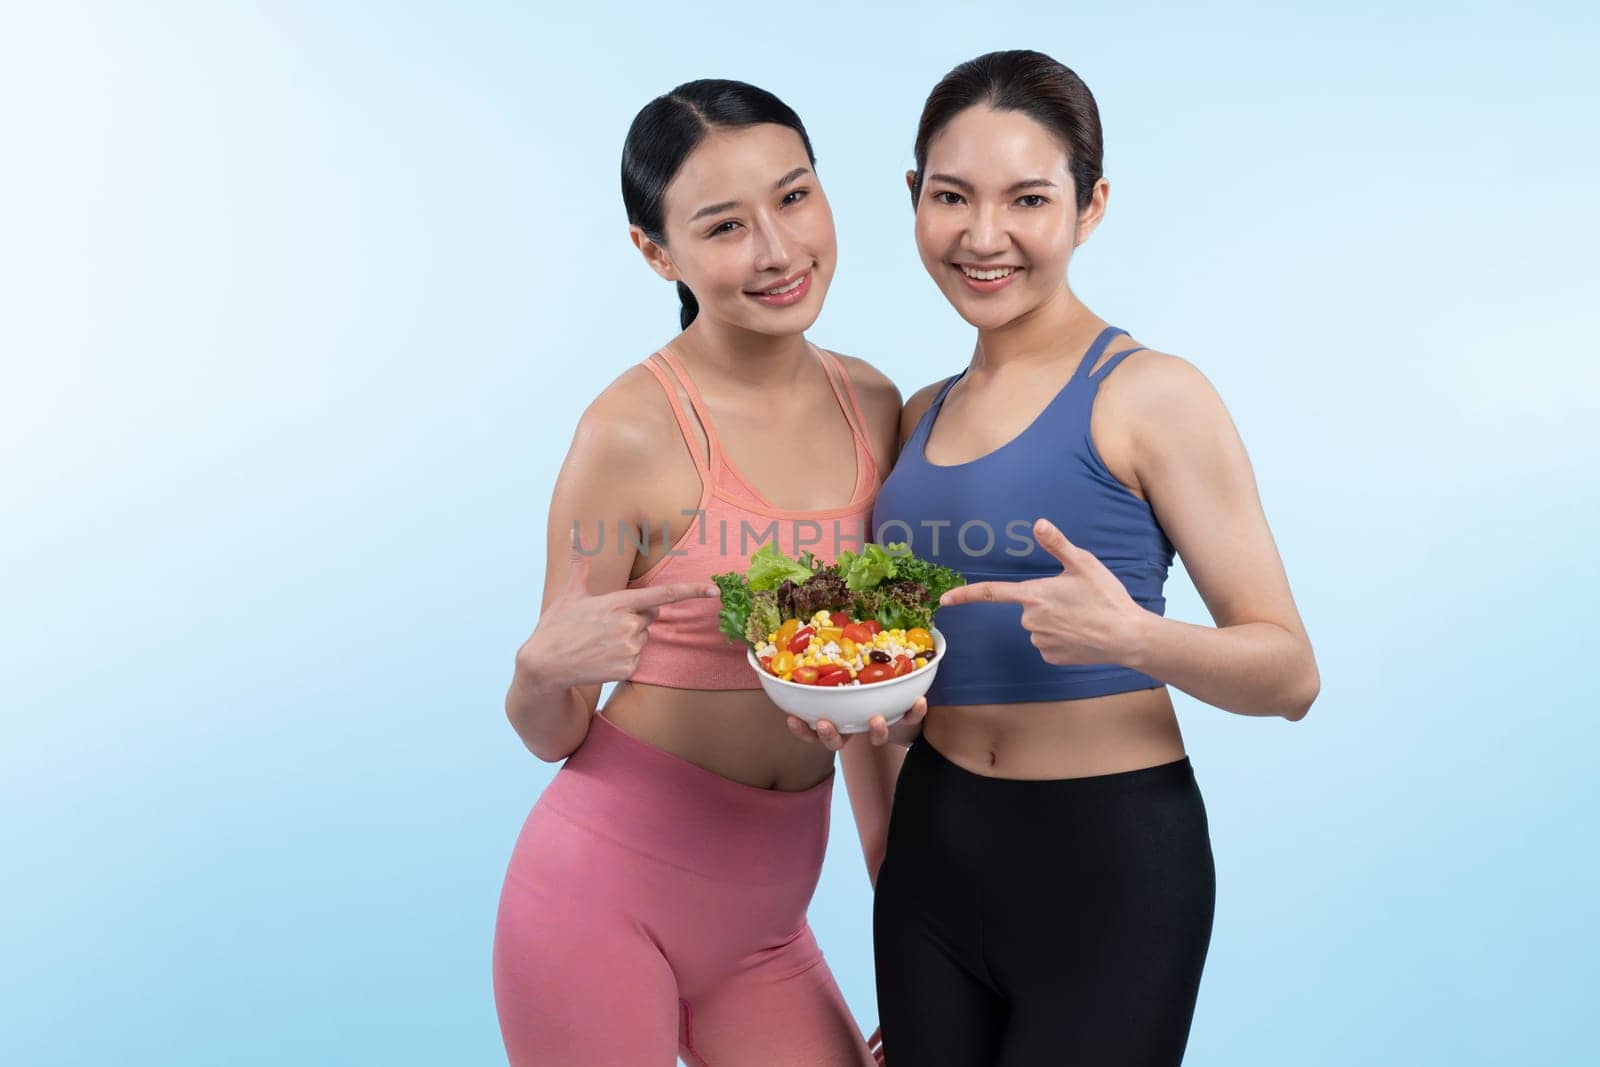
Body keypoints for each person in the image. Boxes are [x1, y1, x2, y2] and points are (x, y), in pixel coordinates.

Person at [793, 50, 1321, 1066]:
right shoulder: (917, 415)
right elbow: (901, 671)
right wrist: (876, 716)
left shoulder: (1149, 394)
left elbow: (1290, 673)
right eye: (951, 196)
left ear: (1089, 206)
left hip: (1108, 861)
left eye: (1027, 199)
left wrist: (1134, 635)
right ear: (913, 198)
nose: (983, 236)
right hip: (932, 858)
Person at [492, 79, 914, 1066]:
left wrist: (908, 951)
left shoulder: (872, 403)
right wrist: (538, 666)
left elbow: (865, 704)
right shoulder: (630, 432)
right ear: (655, 251)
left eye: (794, 197)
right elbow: (550, 727)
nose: (776, 249)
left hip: (765, 927)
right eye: (723, 225)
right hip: (598, 901)